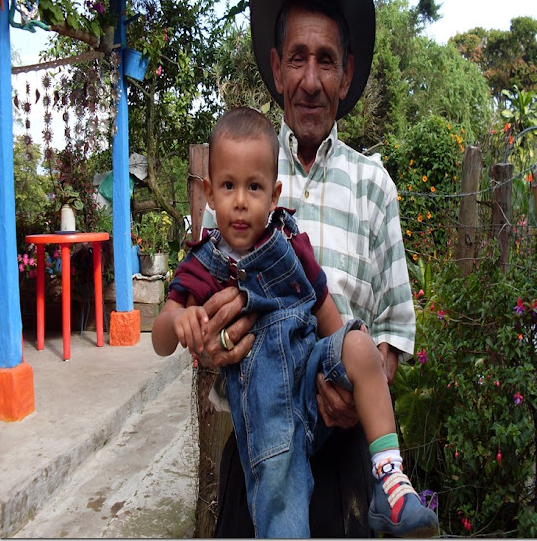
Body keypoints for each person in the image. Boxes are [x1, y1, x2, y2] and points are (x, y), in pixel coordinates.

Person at [174, 0, 422, 537]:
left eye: (327, 60)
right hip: (258, 451)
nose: (311, 79)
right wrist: (218, 342)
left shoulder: (374, 188)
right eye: (298, 58)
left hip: (345, 470)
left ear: (347, 72)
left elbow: (396, 332)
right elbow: (196, 324)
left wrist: (356, 384)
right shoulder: (242, 173)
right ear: (276, 68)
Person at [152, 107, 438, 538]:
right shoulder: (205, 265)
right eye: (228, 186)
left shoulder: (289, 241)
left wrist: (344, 373)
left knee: (358, 342)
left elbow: (328, 315)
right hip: (267, 423)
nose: (242, 201)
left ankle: (391, 485)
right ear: (210, 195)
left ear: (274, 194)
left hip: (313, 385)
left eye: (254, 187)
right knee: (283, 520)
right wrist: (181, 320)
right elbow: (159, 337)